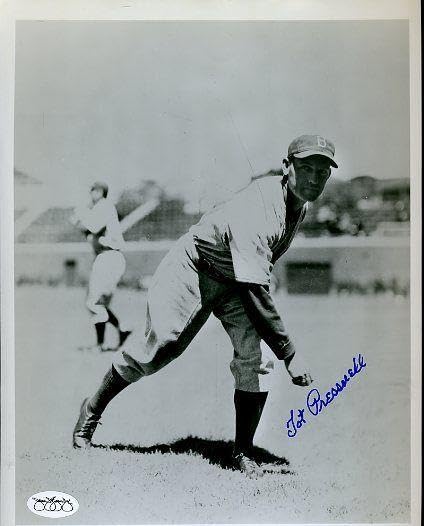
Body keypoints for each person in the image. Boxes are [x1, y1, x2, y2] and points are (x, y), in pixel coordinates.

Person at [72, 135, 338, 476]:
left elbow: (251, 280)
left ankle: (243, 452)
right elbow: (257, 289)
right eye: (305, 168)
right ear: (287, 167)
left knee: (255, 360)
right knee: (159, 348)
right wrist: (290, 352)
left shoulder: (299, 203)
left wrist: (278, 351)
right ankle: (91, 409)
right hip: (195, 267)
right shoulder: (261, 207)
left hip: (236, 279)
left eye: (322, 171)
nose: (314, 178)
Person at [70, 182, 131, 352]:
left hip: (109, 257)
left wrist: (79, 215)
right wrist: (81, 219)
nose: (90, 193)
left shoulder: (104, 206)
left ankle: (101, 343)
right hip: (105, 257)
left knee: (93, 302)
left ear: (99, 192)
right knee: (98, 302)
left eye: (92, 190)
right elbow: (89, 231)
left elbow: (93, 227)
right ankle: (122, 330)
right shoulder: (99, 209)